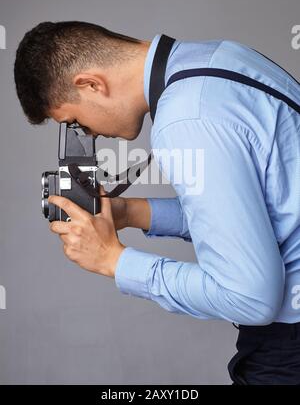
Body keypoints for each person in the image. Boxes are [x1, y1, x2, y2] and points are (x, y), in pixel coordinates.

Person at [14, 21, 300, 384]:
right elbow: (249, 209)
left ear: (90, 84)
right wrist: (129, 212)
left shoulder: (185, 118)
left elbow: (251, 299)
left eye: (76, 122)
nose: (89, 134)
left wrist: (113, 261)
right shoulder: (220, 57)